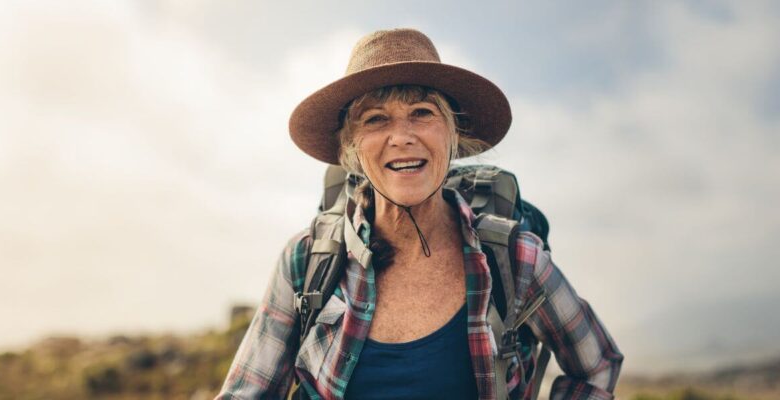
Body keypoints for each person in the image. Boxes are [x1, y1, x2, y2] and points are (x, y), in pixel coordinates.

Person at [216, 28, 623, 400]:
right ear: (352, 148)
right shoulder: (307, 260)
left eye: (423, 113)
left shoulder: (515, 257)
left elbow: (596, 366)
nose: (402, 136)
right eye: (376, 119)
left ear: (453, 133)